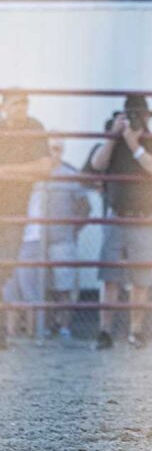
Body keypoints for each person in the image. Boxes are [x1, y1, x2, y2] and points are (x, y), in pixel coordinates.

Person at [84, 95, 152, 350]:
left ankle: (136, 331)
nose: (135, 121)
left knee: (141, 279)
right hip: (117, 215)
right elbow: (97, 164)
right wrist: (114, 137)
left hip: (145, 218)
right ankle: (105, 331)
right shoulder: (113, 141)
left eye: (139, 116)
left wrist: (135, 145)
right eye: (130, 116)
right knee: (109, 277)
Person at [10, 139, 90, 342]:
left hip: (62, 239)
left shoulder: (70, 174)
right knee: (37, 286)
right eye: (51, 149)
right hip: (35, 238)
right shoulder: (34, 175)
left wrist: (73, 230)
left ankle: (64, 328)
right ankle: (40, 328)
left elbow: (85, 207)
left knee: (64, 286)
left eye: (58, 149)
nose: (54, 153)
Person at [0, 91, 52, 350]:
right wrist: (22, 172)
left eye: (24, 104)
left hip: (14, 210)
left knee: (5, 266)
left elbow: (44, 168)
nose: (20, 109)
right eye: (15, 104)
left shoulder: (34, 128)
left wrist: (5, 171)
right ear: (5, 107)